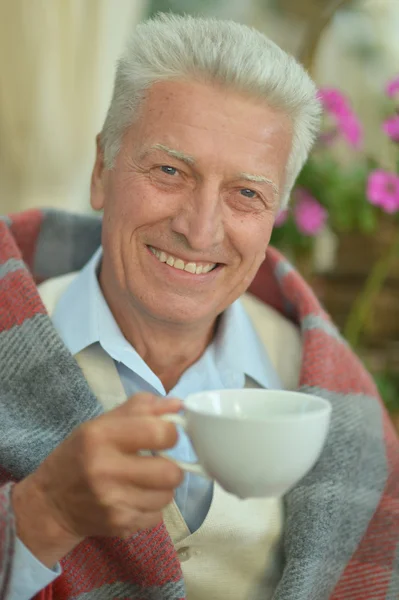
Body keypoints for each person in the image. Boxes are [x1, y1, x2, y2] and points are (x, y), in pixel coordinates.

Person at [0, 13, 398, 600]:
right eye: (169, 171)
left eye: (246, 194)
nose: (200, 228)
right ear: (102, 171)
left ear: (274, 219)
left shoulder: (337, 400)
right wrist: (41, 515)